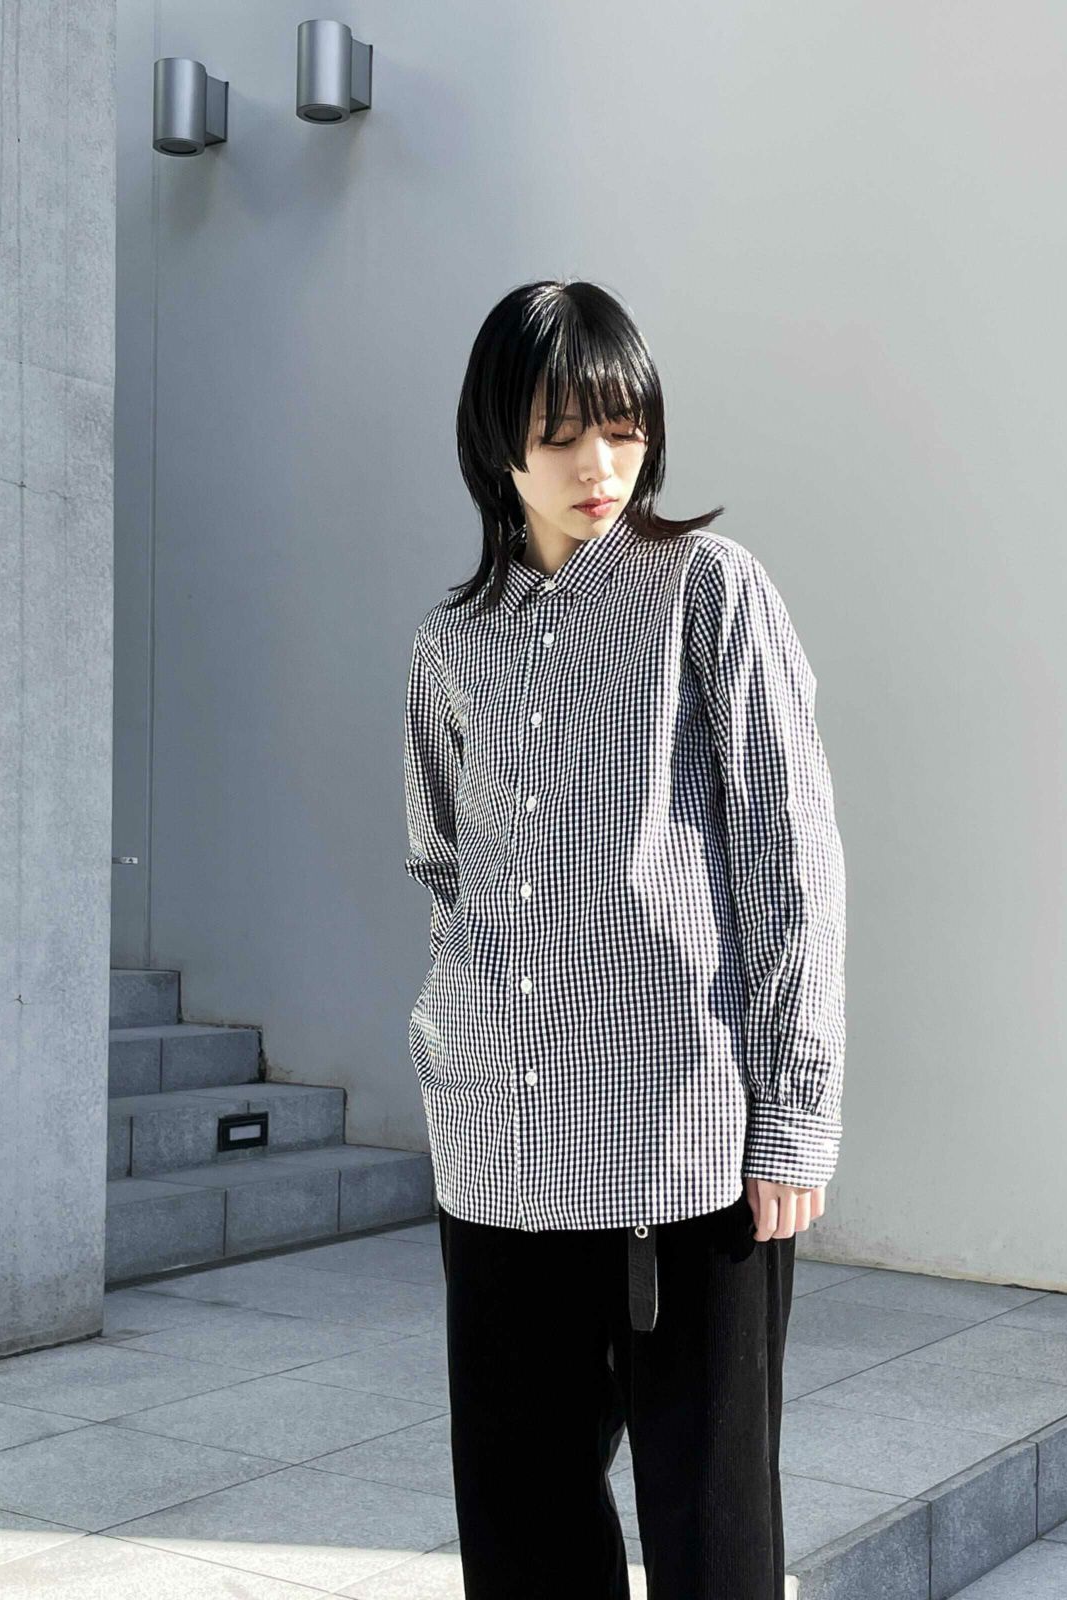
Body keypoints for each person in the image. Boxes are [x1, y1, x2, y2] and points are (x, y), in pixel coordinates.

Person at [402, 279, 847, 1600]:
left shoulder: (709, 590)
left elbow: (789, 856)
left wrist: (795, 1113)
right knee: (522, 1521)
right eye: (560, 435)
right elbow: (442, 860)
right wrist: (461, 1040)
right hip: (503, 1150)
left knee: (714, 1528)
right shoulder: (451, 645)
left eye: (624, 429)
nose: (599, 465)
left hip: (686, 1146)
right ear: (497, 442)